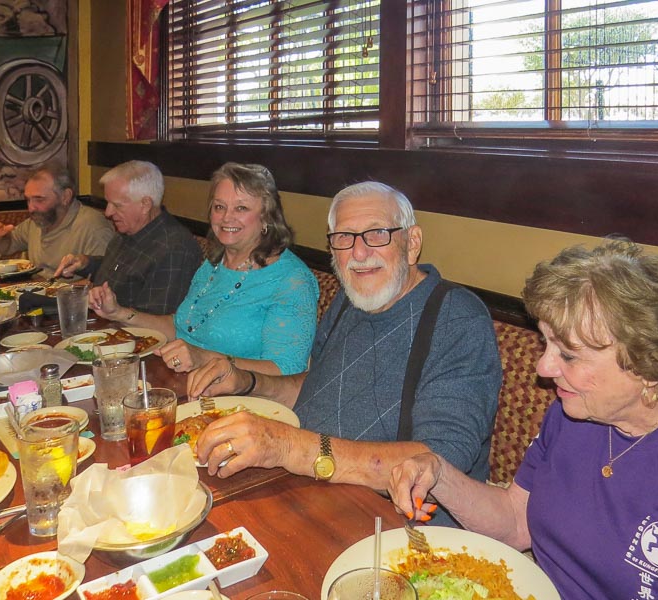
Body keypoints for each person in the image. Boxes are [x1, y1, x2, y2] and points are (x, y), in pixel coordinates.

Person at [388, 239, 658, 599]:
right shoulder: (575, 412)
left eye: (569, 355)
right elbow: (515, 523)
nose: (543, 366)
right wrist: (438, 473)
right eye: (545, 343)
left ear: (647, 364)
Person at [187, 181, 501, 526]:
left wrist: (289, 448)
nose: (359, 253)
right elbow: (317, 386)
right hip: (307, 491)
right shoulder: (350, 300)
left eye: (377, 234)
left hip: (395, 526)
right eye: (344, 238)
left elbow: (439, 462)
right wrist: (247, 382)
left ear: (412, 244)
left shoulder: (456, 318)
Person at [85, 163, 319, 376]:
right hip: (183, 384)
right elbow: (181, 328)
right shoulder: (213, 266)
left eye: (241, 208)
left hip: (243, 405)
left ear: (267, 217)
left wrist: (205, 359)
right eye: (219, 207)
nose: (227, 217)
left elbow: (288, 369)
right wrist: (117, 312)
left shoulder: (291, 280)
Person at [54, 160, 202, 315]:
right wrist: (86, 263)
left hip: (128, 334)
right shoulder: (130, 231)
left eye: (117, 205)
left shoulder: (174, 249)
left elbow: (156, 323)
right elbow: (125, 274)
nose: (108, 212)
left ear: (145, 204)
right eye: (108, 203)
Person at [0, 164, 114, 277]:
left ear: (65, 197)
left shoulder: (94, 227)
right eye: (28, 200)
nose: (31, 208)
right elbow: (8, 246)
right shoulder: (39, 221)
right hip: (34, 297)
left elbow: (103, 279)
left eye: (39, 199)